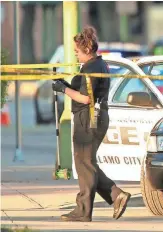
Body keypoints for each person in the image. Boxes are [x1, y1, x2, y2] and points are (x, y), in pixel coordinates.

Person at [52, 26, 131, 222]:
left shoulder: (92, 68)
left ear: (87, 50)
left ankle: (84, 209)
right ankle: (115, 195)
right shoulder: (96, 65)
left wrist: (64, 90)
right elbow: (84, 92)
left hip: (88, 118)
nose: (75, 55)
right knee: (87, 162)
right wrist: (67, 85)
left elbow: (86, 98)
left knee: (83, 162)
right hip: (92, 117)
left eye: (77, 52)